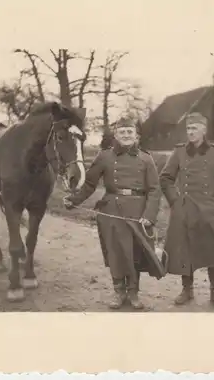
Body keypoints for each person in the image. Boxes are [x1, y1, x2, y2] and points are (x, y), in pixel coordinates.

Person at [63, 117, 162, 310]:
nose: (126, 135)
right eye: (122, 132)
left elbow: (154, 190)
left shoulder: (146, 158)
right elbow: (90, 184)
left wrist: (149, 216)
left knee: (135, 254)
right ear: (115, 135)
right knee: (116, 253)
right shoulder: (104, 157)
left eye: (129, 132)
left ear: (136, 136)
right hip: (111, 211)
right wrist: (74, 200)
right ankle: (119, 292)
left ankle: (133, 293)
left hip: (138, 212)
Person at [159, 112, 214, 309]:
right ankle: (187, 290)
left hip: (208, 210)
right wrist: (175, 200)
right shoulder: (179, 152)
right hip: (184, 209)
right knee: (184, 251)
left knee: (213, 249)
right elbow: (166, 178)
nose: (190, 132)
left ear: (204, 130)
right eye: (188, 128)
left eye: (194, 128)